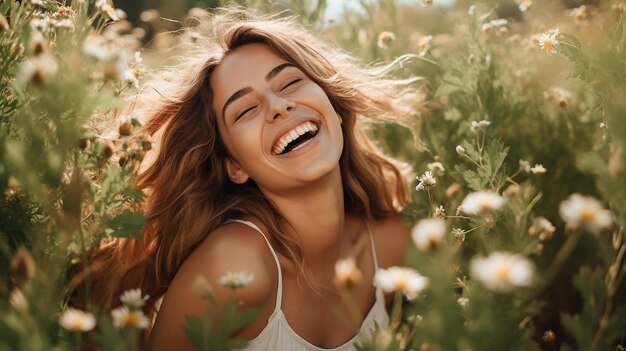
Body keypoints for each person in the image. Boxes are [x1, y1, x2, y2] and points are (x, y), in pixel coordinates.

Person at [80, 7, 422, 351]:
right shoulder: (235, 267)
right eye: (245, 110)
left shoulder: (390, 245)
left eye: (290, 82)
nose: (278, 106)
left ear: (332, 104)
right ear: (235, 166)